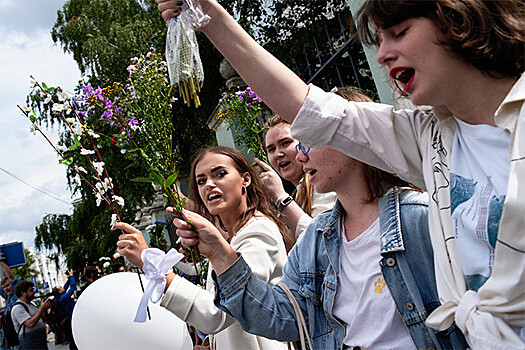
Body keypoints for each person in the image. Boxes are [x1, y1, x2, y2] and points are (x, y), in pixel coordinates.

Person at [156, 1, 524, 348]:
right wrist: (206, 12)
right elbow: (307, 106)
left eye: (399, 32)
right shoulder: (432, 138)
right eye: (378, 41)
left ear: (457, 18)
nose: (382, 55)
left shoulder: (416, 213)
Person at [173, 113, 467, 349]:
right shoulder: (317, 238)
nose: (299, 156)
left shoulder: (421, 217)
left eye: (307, 141)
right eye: (200, 181)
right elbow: (284, 316)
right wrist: (218, 253)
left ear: (349, 140)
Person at [115, 146, 289, 350]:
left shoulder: (258, 231)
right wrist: (213, 344)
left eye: (220, 174)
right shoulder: (233, 236)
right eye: (201, 181)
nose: (209, 185)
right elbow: (230, 316)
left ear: (246, 180)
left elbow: (218, 313)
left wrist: (151, 262)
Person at [258, 114, 336, 240]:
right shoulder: (296, 194)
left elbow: (322, 241)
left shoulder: (323, 184)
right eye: (271, 149)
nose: (278, 154)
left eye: (285, 143)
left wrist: (280, 198)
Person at [11, 281, 51, 350]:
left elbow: (43, 319)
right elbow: (30, 323)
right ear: (23, 293)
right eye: (31, 290)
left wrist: (44, 309)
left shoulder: (31, 305)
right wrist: (41, 308)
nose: (34, 292)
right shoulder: (18, 308)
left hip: (40, 343)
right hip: (30, 344)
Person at [52, 270, 77, 350]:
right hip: (69, 320)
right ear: (59, 291)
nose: (62, 287)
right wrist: (72, 276)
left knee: (72, 340)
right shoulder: (63, 298)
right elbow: (72, 287)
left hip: (66, 321)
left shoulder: (58, 298)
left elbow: (65, 287)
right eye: (60, 287)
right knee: (73, 340)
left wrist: (69, 278)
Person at [0, 259, 20, 350]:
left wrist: (0, 261)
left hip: (19, 340)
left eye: (8, 286)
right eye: (4, 287)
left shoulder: (16, 295)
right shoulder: (7, 297)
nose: (6, 289)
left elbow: (11, 277)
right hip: (11, 342)